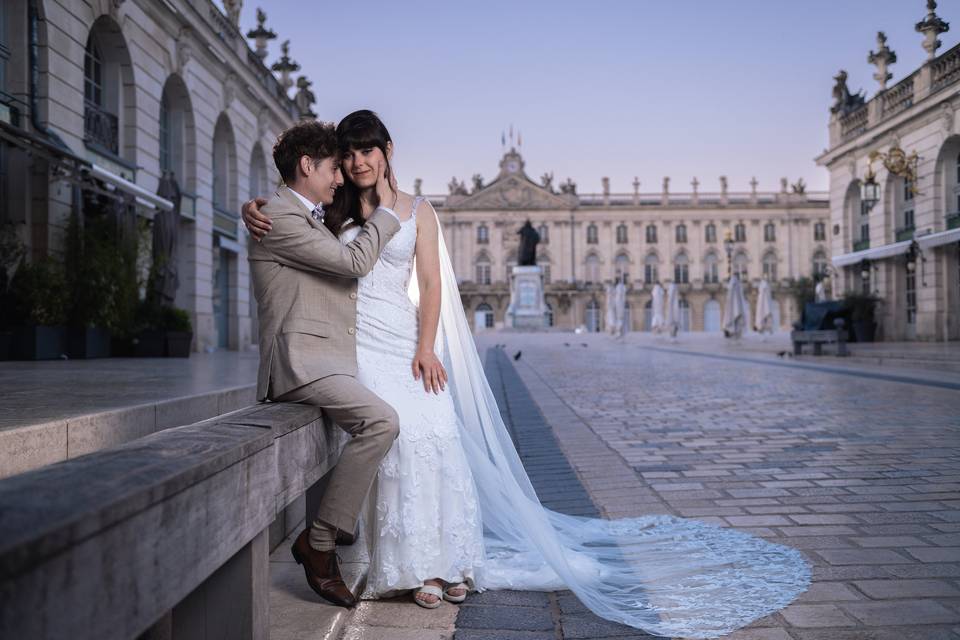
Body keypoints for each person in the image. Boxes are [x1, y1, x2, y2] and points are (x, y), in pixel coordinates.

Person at [244, 111, 812, 637]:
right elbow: (302, 229)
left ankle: (441, 560)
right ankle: (386, 561)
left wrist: (427, 345)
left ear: (388, 151)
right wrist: (258, 207)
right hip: (357, 343)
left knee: (437, 437)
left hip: (403, 337)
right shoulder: (335, 210)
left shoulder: (419, 209)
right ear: (336, 162)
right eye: (349, 154)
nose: (358, 162)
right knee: (397, 440)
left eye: (368, 150)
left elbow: (434, 285)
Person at [247, 120, 402, 608]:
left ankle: (330, 531)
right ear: (308, 165)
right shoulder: (278, 216)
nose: (340, 178)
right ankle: (319, 542)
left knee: (384, 420)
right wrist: (388, 213)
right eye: (334, 168)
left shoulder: (298, 214)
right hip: (301, 361)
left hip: (326, 358)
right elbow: (353, 263)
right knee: (382, 422)